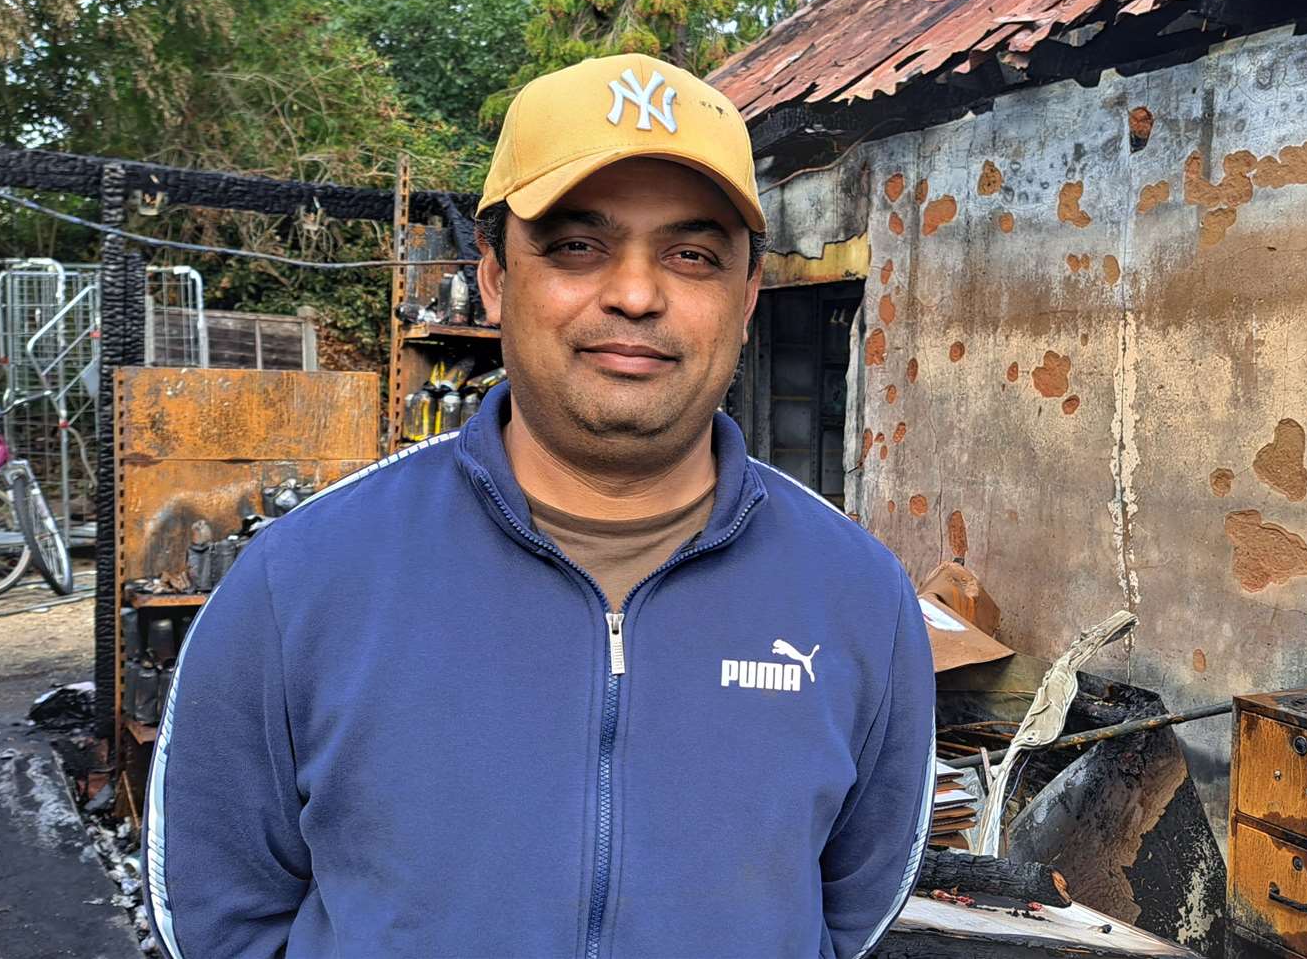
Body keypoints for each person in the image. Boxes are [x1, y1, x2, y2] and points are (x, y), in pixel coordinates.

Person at [142, 52, 935, 958]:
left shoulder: (857, 597)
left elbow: (853, 907)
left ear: (746, 296)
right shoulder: (302, 581)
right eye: (575, 246)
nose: (635, 294)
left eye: (692, 254)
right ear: (494, 277)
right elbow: (217, 915)